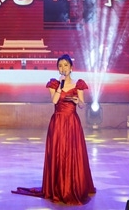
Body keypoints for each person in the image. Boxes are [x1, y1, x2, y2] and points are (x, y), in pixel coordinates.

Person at [41, 53, 96, 204]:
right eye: (60, 66)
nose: (63, 68)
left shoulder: (78, 84)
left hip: (72, 122)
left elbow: (82, 105)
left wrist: (78, 101)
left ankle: (73, 185)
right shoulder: (54, 84)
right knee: (58, 153)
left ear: (71, 67)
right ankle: (57, 187)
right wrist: (60, 85)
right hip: (57, 123)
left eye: (66, 65)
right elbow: (54, 101)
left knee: (72, 153)